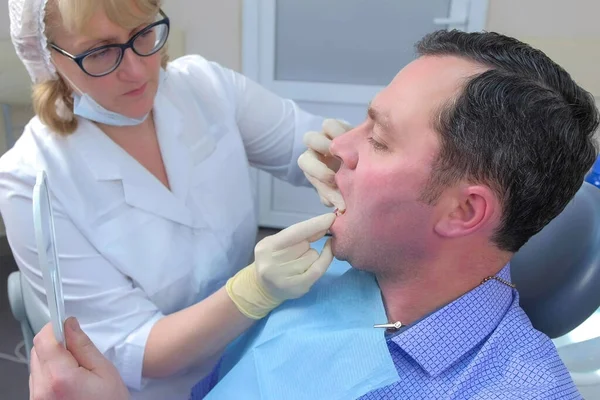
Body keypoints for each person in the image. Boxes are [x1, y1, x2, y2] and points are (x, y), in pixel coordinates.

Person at [27, 29, 599, 400]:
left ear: (464, 210)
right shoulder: (340, 270)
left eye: (377, 138)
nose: (339, 149)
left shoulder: (516, 390)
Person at [0, 0, 351, 399]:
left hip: (260, 342)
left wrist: (344, 156)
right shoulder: (30, 179)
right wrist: (252, 291)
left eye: (143, 33)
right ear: (48, 56)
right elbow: (136, 347)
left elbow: (295, 144)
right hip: (167, 387)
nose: (135, 70)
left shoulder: (204, 86)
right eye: (100, 52)